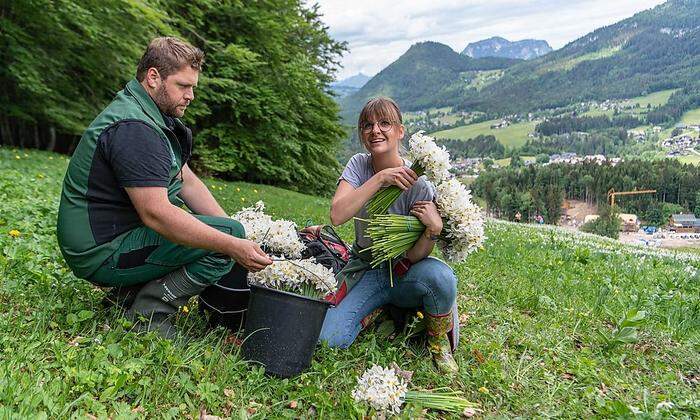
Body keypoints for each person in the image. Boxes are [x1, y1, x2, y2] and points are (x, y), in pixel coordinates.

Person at [56, 37, 272, 338]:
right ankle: (150, 315)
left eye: (193, 86)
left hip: (110, 236)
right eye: (183, 86)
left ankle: (125, 297)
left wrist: (232, 228)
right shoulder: (135, 128)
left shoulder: (145, 113)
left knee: (226, 232)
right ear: (153, 77)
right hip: (100, 250)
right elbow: (156, 214)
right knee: (223, 241)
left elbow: (187, 180)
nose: (191, 95)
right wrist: (233, 243)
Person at [319, 97, 459, 374]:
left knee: (442, 277)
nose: (375, 130)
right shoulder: (359, 165)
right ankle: (380, 310)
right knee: (330, 339)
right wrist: (381, 179)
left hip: (405, 271)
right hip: (367, 269)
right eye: (368, 125)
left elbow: (415, 255)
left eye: (385, 123)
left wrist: (434, 230)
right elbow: (337, 215)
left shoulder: (420, 184)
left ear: (400, 131)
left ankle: (437, 340)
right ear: (362, 133)